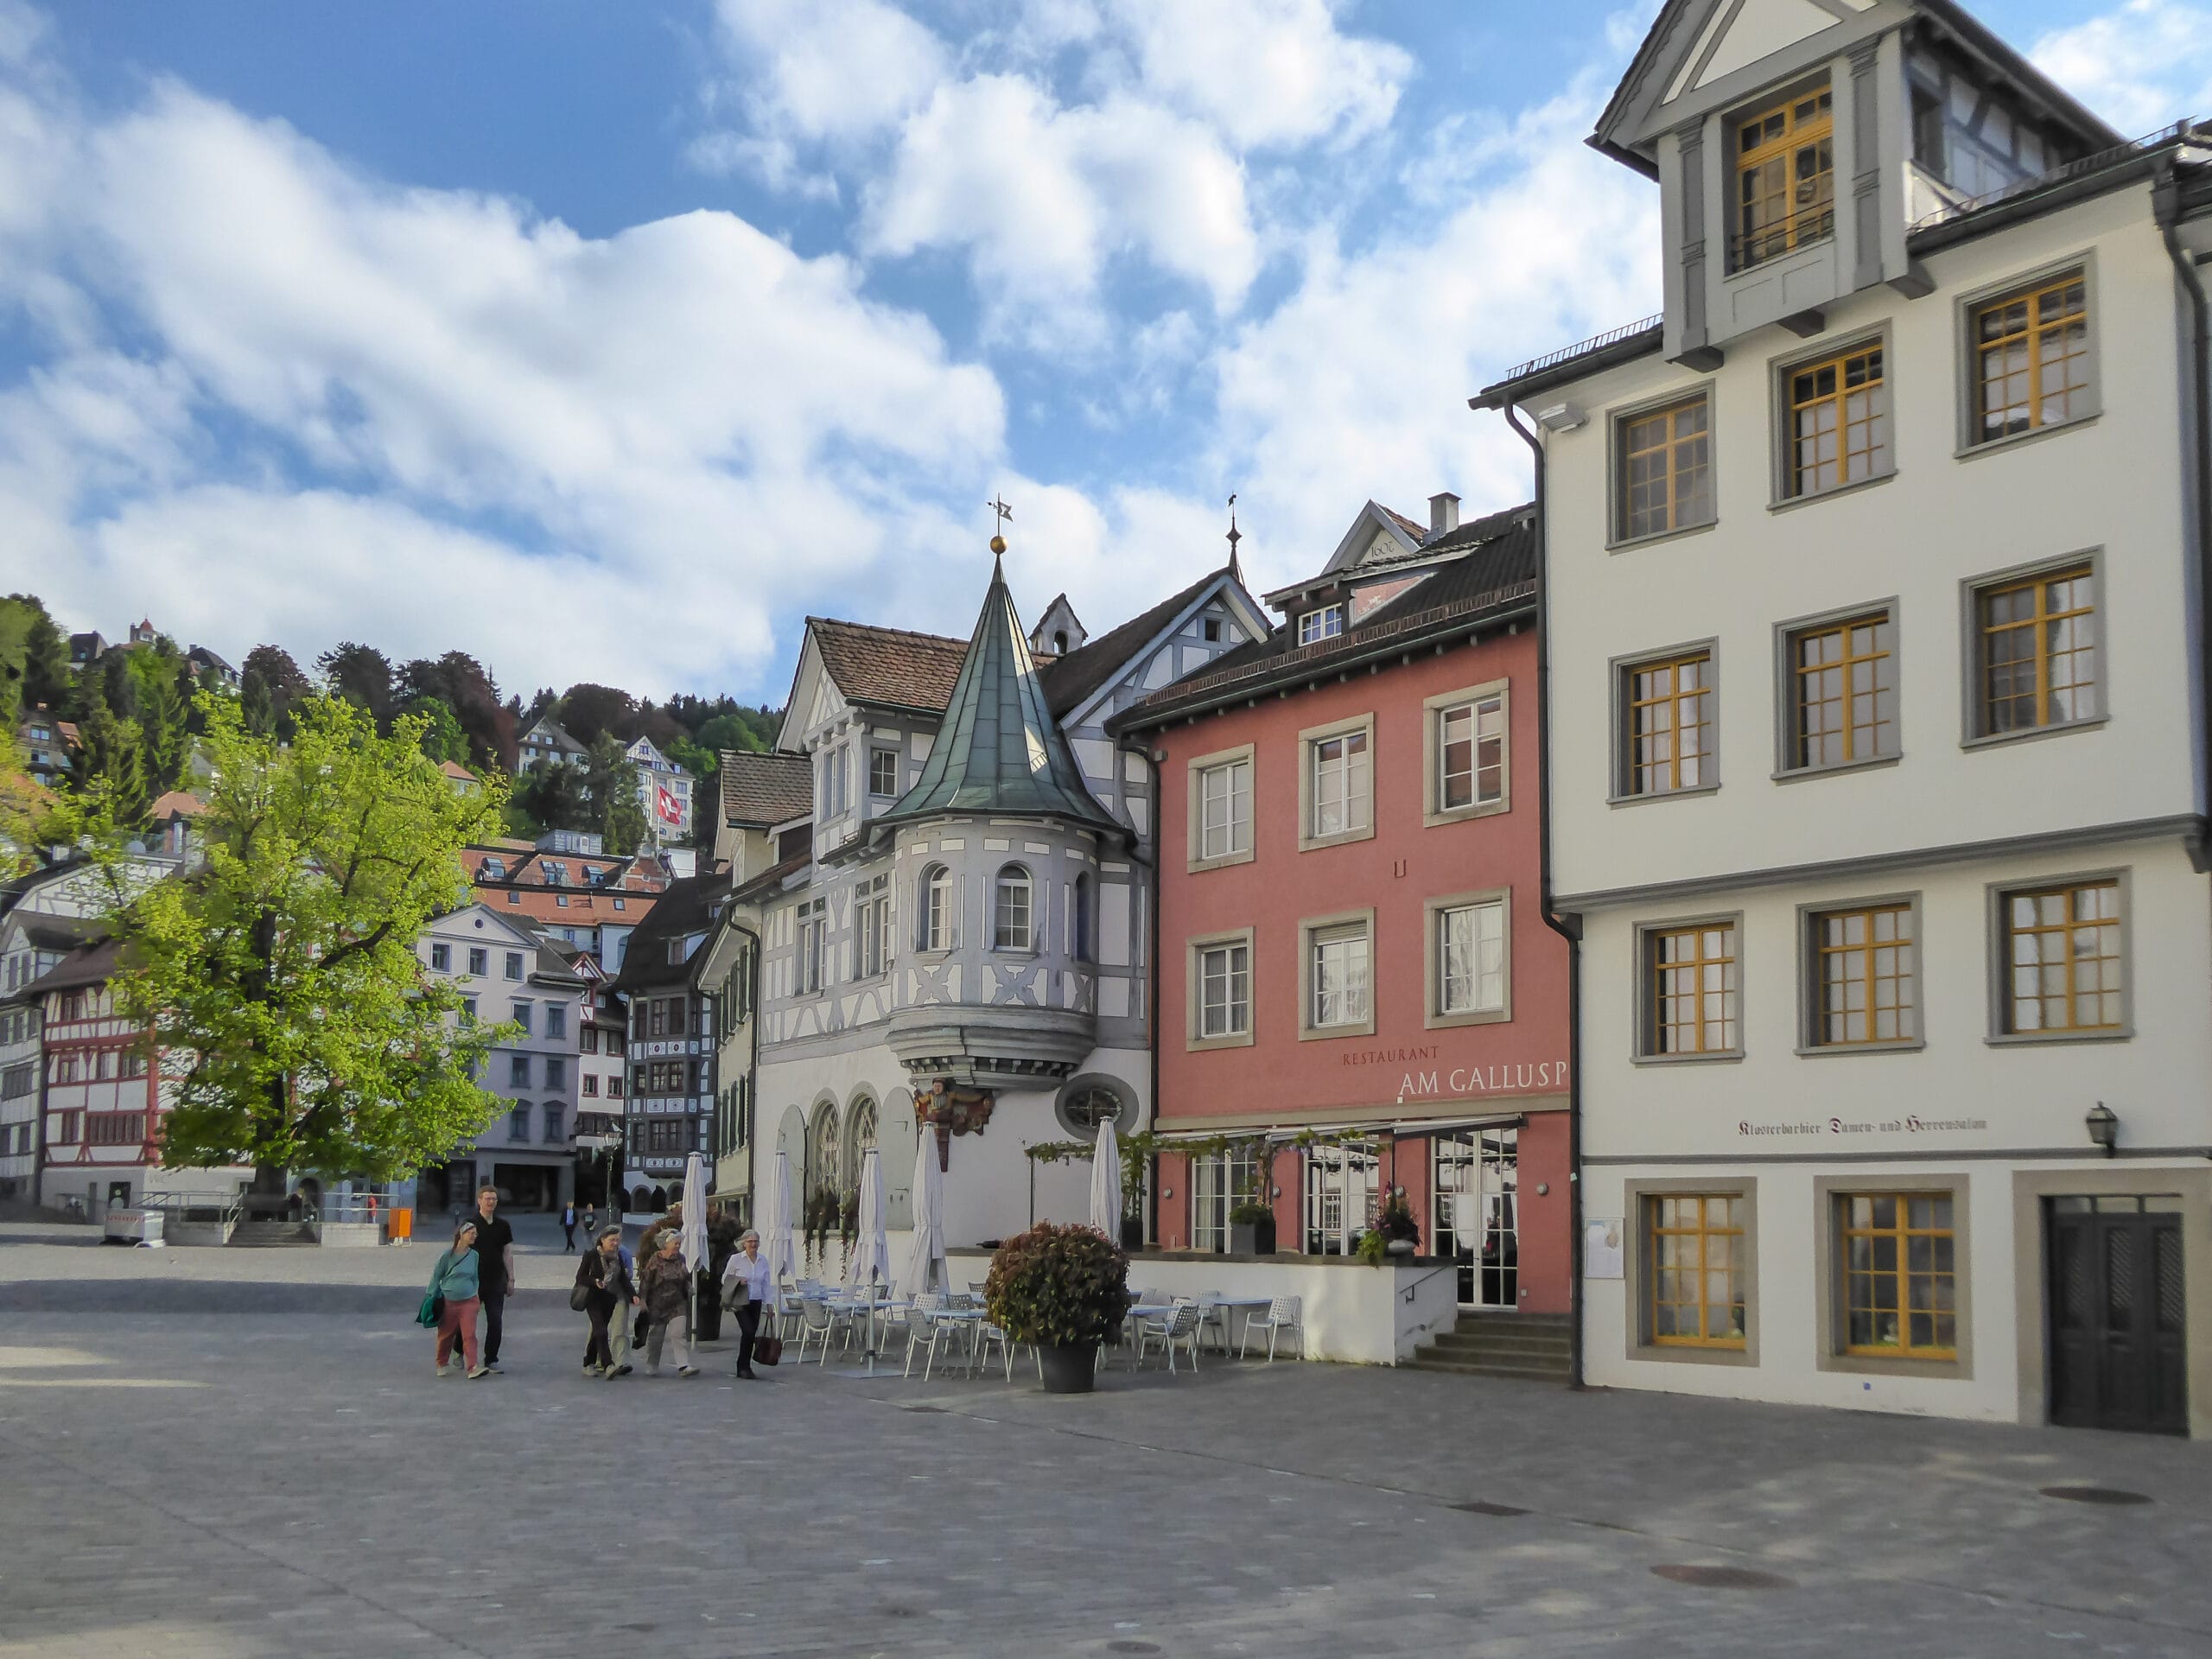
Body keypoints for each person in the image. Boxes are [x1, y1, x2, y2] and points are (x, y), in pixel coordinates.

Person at [466, 1185, 516, 1372]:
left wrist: (511, 1278)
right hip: (472, 1280)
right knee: (466, 1320)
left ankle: (491, 1358)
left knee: (495, 1320)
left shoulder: (503, 1225)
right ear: (479, 1200)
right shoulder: (470, 1223)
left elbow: (507, 1252)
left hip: (496, 1279)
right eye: (487, 1198)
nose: (491, 1202)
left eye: (494, 1199)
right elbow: (460, 1249)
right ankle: (457, 1349)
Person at [429, 1221, 488, 1379]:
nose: (474, 1236)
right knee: (446, 1334)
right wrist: (431, 1296)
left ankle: (473, 1367)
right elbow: (436, 1276)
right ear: (462, 1234)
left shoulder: (474, 1255)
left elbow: (475, 1277)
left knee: (469, 1335)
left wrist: (475, 1293)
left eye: (476, 1234)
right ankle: (441, 1362)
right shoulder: (447, 1256)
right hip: (449, 1300)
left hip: (469, 1300)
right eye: (471, 1233)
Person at [638, 1230, 698, 1377]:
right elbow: (646, 1281)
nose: (678, 1246)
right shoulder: (655, 1260)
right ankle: (652, 1365)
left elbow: (685, 1277)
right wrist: (643, 1300)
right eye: (675, 1243)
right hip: (657, 1304)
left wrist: (689, 1286)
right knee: (655, 1338)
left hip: (677, 1303)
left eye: (679, 1243)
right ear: (665, 1244)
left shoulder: (681, 1259)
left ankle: (683, 1365)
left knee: (679, 1334)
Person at [575, 1227, 634, 1378]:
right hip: (593, 1298)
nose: (615, 1243)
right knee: (601, 1330)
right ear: (603, 1239)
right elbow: (580, 1277)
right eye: (612, 1240)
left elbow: (622, 1278)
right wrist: (594, 1281)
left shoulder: (618, 1256)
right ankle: (608, 1364)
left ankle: (588, 1363)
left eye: (617, 1240)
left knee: (598, 1332)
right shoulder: (591, 1255)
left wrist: (633, 1295)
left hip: (610, 1299)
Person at [721, 1228, 777, 1380]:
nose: (753, 1244)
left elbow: (766, 1284)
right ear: (743, 1243)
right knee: (748, 1331)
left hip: (756, 1300)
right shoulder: (736, 1259)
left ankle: (745, 1366)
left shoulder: (763, 1260)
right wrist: (739, 1280)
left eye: (755, 1241)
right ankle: (743, 1366)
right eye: (750, 1241)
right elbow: (725, 1279)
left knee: (751, 1334)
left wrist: (769, 1304)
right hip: (740, 1301)